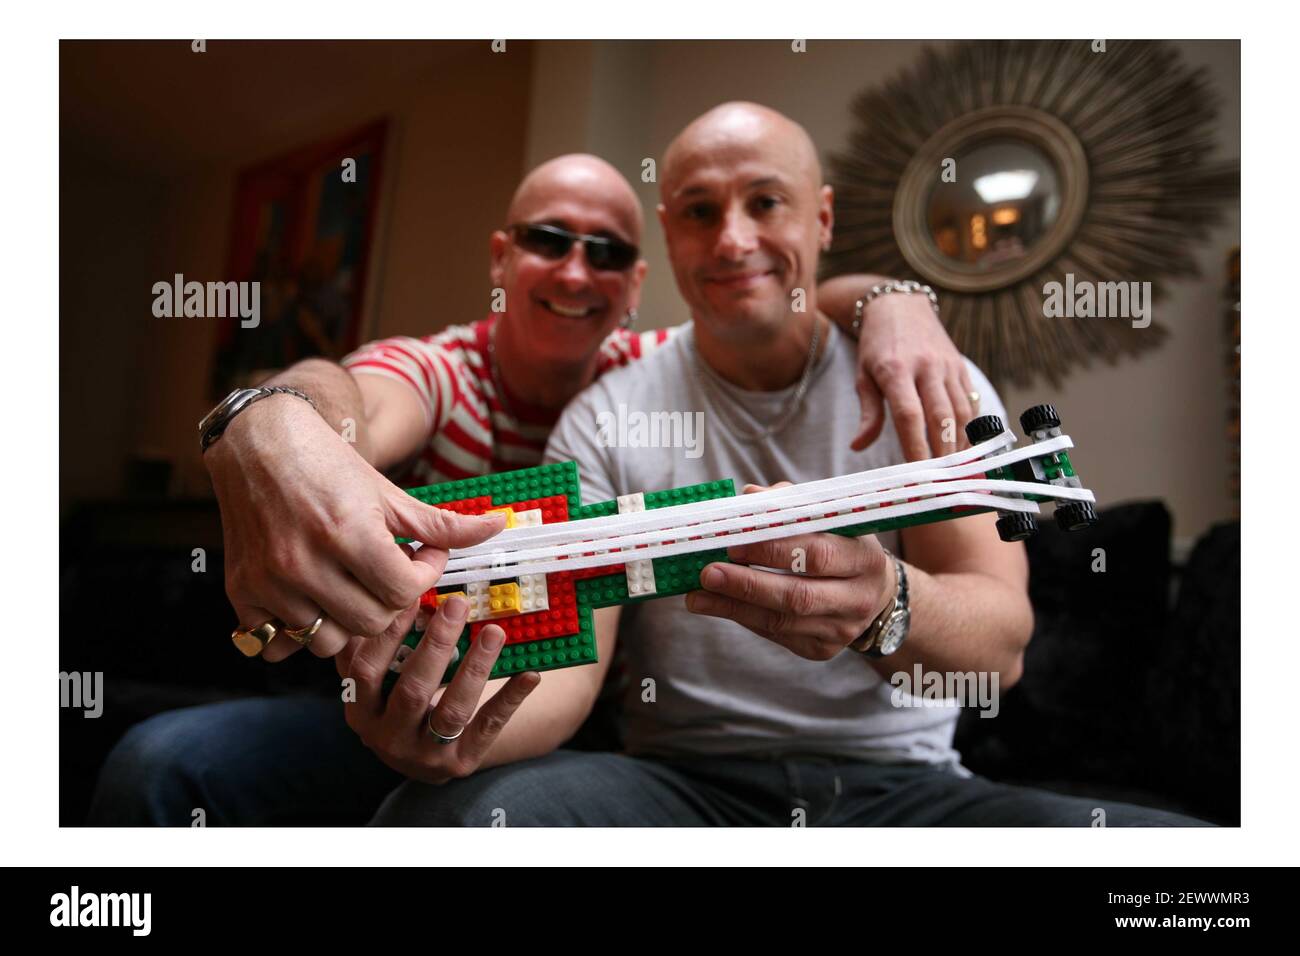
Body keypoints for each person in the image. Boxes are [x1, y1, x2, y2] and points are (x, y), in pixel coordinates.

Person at [356, 103, 1208, 826]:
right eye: (698, 211)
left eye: (767, 202)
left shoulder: (924, 380)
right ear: (668, 238)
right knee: (444, 821)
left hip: (911, 793)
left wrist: (886, 603)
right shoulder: (606, 413)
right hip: (681, 788)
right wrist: (446, 731)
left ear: (823, 219)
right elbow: (572, 674)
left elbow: (1000, 652)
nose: (733, 241)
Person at [88, 151, 971, 825]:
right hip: (406, 696)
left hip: (563, 717)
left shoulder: (648, 377)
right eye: (550, 240)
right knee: (162, 764)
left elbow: (784, 306)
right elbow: (352, 396)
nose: (576, 270)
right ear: (502, 259)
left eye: (608, 252)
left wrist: (894, 296)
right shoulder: (444, 371)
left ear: (634, 288)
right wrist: (276, 416)